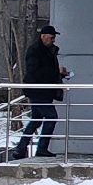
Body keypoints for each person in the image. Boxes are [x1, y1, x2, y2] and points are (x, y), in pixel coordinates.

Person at [11, 23, 69, 159]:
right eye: (51, 37)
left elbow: (45, 71)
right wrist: (57, 72)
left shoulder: (47, 51)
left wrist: (59, 74)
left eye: (54, 37)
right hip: (38, 91)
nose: (53, 39)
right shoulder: (35, 51)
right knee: (51, 117)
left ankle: (20, 149)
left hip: (43, 91)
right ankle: (40, 148)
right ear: (43, 36)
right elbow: (35, 72)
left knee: (36, 120)